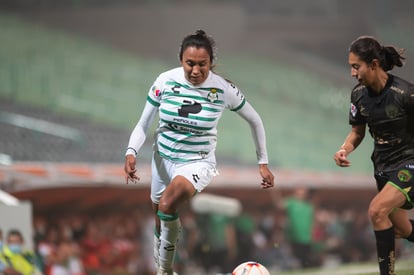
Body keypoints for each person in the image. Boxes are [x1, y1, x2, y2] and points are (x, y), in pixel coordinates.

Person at [124, 29, 275, 275]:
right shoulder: (165, 80)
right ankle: (165, 261)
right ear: (181, 61)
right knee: (160, 220)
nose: (195, 71)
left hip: (197, 161)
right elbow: (143, 124)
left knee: (167, 204)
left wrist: (263, 162)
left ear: (211, 63)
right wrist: (131, 151)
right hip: (161, 158)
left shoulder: (223, 89)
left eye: (202, 65)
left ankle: (165, 270)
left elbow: (255, 120)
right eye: (190, 64)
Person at [333, 35, 414, 275]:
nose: (352, 72)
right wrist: (344, 149)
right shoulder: (358, 95)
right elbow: (357, 132)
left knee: (376, 211)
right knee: (402, 230)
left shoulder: (406, 94)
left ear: (374, 64)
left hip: (409, 162)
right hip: (382, 167)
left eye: (356, 66)